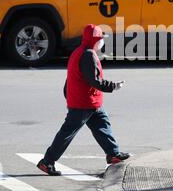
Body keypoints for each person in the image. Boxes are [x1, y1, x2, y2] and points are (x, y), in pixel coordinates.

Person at [37, 24, 130, 176]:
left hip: (89, 102)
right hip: (84, 103)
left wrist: (69, 95)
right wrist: (113, 86)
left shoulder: (78, 52)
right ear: (95, 40)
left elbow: (70, 79)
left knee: (102, 125)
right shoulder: (88, 55)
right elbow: (95, 80)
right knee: (67, 132)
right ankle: (47, 162)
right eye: (100, 39)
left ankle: (113, 154)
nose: (102, 42)